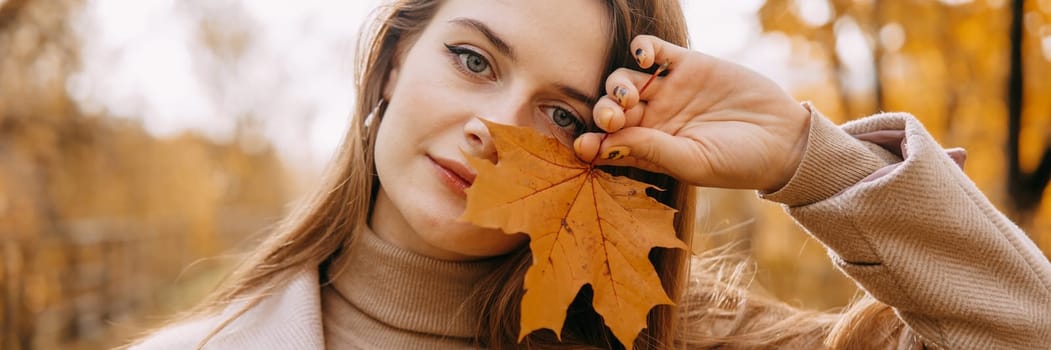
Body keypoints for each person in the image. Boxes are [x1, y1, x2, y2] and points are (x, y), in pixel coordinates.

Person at [129, 0, 1051, 349]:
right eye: (474, 61)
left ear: (612, 162)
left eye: (563, 114)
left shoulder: (699, 346)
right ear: (389, 64)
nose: (493, 128)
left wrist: (806, 156)